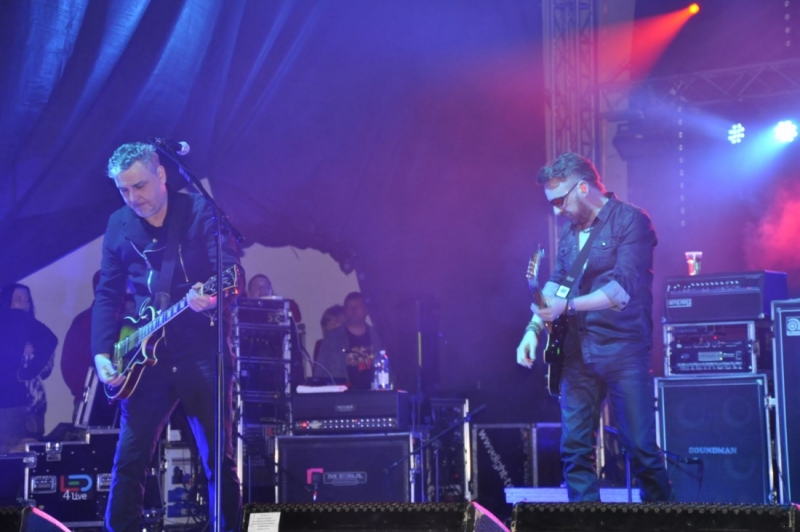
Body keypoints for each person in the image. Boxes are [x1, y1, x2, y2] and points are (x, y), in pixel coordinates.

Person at [92, 142, 242, 532]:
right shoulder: (118, 224)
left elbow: (230, 272)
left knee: (218, 459)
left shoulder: (199, 210)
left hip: (200, 351)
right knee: (129, 461)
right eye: (124, 190)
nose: (133, 197)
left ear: (160, 174)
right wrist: (102, 354)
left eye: (139, 186)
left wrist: (210, 298)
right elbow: (108, 293)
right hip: (144, 358)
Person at [515, 152, 671, 502]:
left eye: (560, 201)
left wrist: (568, 306)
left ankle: (668, 522)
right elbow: (557, 283)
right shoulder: (570, 234)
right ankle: (586, 523)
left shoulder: (631, 221)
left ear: (583, 188)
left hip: (622, 349)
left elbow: (622, 289)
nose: (557, 211)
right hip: (576, 352)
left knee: (641, 450)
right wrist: (532, 330)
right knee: (574, 451)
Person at [0, 286, 57, 453]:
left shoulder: (30, 326)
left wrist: (30, 370)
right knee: (13, 450)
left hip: (32, 403)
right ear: (7, 302)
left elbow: (50, 346)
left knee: (26, 452)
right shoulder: (10, 320)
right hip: (9, 404)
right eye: (18, 299)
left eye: (27, 300)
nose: (24, 304)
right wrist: (19, 352)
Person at [314, 292, 382, 389]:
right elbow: (320, 373)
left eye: (358, 306)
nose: (354, 310)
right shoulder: (332, 339)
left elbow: (391, 370)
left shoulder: (379, 337)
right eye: (349, 307)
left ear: (366, 310)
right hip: (342, 396)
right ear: (345, 311)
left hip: (374, 394)